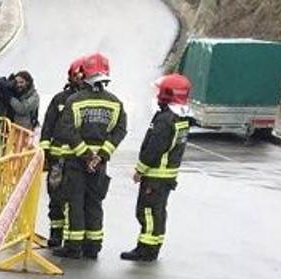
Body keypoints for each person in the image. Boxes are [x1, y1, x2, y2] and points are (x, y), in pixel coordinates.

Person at [52, 53, 127, 260]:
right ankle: (93, 246)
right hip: (100, 164)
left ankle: (73, 246)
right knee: (94, 203)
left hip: (76, 161)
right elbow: (120, 131)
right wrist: (101, 156)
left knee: (75, 202)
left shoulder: (74, 101)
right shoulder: (115, 103)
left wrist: (86, 155)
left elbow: (67, 129)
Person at [121, 74, 193, 262]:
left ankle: (147, 250)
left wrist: (140, 170)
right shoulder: (181, 117)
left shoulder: (165, 119)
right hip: (166, 175)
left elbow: (154, 147)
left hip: (155, 175)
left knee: (147, 212)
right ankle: (150, 246)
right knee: (157, 212)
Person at [40, 57, 88, 247]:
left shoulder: (87, 101)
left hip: (77, 157)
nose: (80, 78)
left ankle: (73, 237)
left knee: (75, 199)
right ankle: (56, 233)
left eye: (83, 75)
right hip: (57, 159)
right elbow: (48, 125)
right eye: (77, 75)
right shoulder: (59, 99)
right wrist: (45, 151)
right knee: (56, 196)